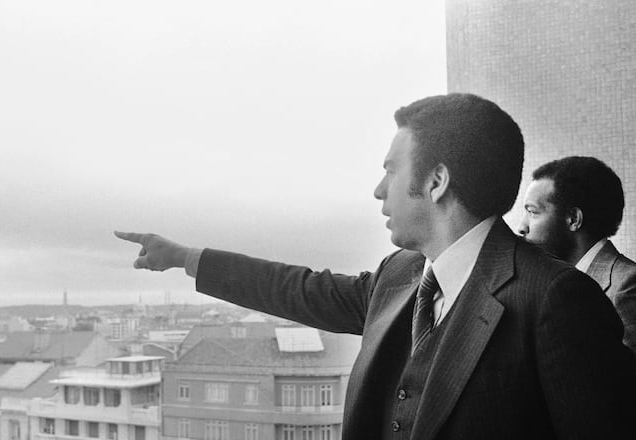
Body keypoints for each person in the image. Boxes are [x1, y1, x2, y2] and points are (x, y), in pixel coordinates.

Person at [116, 93, 636, 439]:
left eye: (391, 169)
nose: (378, 189)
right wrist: (187, 259)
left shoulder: (557, 299)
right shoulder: (400, 274)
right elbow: (301, 290)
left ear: (436, 182)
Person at [518, 156, 636, 352]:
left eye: (533, 212)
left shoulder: (626, 285)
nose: (522, 227)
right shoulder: (553, 285)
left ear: (573, 219)